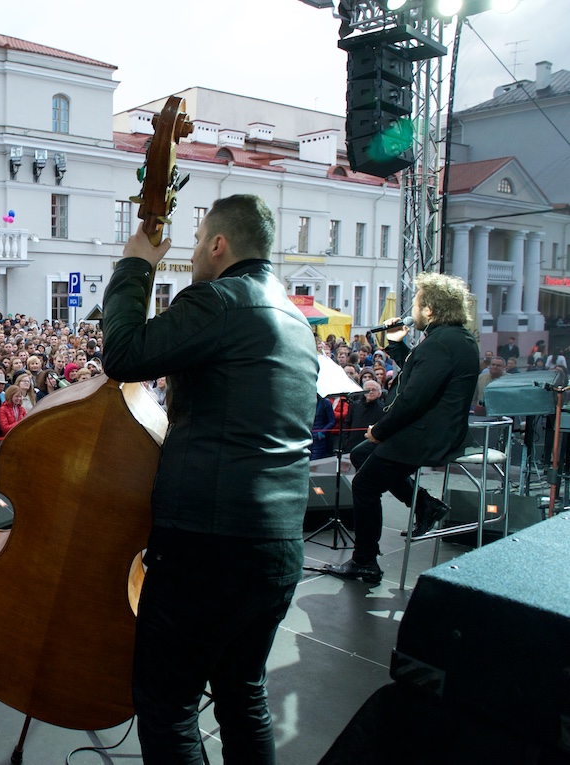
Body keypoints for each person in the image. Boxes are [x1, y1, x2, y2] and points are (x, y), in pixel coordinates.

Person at [102, 195, 317, 764]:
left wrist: (136, 264)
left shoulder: (219, 300)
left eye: (198, 240)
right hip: (278, 543)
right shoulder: (297, 320)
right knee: (243, 696)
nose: (194, 251)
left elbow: (123, 353)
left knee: (168, 708)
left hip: (206, 545)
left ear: (219, 244)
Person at [325, 272, 479, 584]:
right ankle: (424, 503)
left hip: (427, 435)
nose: (413, 308)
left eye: (418, 303)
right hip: (436, 430)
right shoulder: (454, 339)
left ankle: (365, 561)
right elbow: (418, 373)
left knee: (365, 484)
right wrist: (397, 347)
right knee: (359, 455)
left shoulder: (440, 344)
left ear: (430, 310)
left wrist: (379, 431)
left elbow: (412, 400)